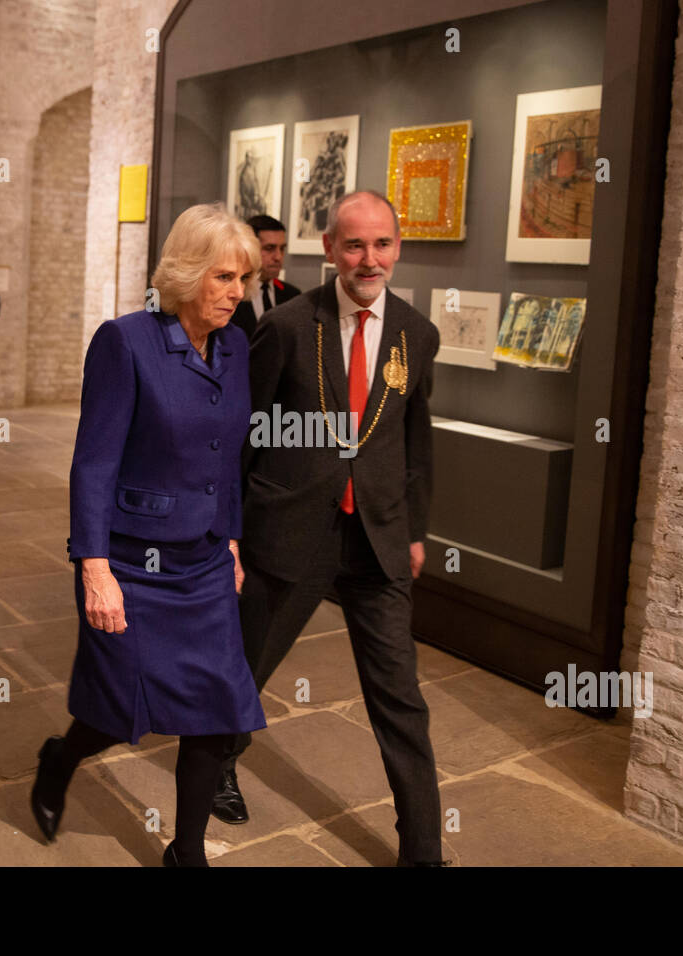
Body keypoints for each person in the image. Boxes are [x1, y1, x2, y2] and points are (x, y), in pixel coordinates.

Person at [213, 190, 447, 866]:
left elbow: (417, 442)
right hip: (291, 530)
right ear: (331, 249)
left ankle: (423, 849)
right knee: (249, 664)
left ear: (398, 248)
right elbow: (246, 433)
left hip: (377, 538)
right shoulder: (287, 326)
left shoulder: (416, 334)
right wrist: (231, 527)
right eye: (354, 245)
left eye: (381, 244)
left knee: (400, 696)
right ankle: (222, 759)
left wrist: (414, 531)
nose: (368, 259)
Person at [30, 203, 266, 867]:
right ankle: (61, 758)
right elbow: (94, 462)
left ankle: (184, 853)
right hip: (134, 563)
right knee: (112, 713)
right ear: (188, 273)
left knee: (216, 716)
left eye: (242, 278)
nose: (235, 293)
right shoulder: (126, 341)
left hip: (207, 561)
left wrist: (233, 540)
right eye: (223, 277)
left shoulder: (236, 345)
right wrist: (93, 567)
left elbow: (228, 455)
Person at [229, 214, 300, 342]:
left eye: (282, 248)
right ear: (250, 248)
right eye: (269, 248)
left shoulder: (293, 295)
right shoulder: (232, 294)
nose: (278, 257)